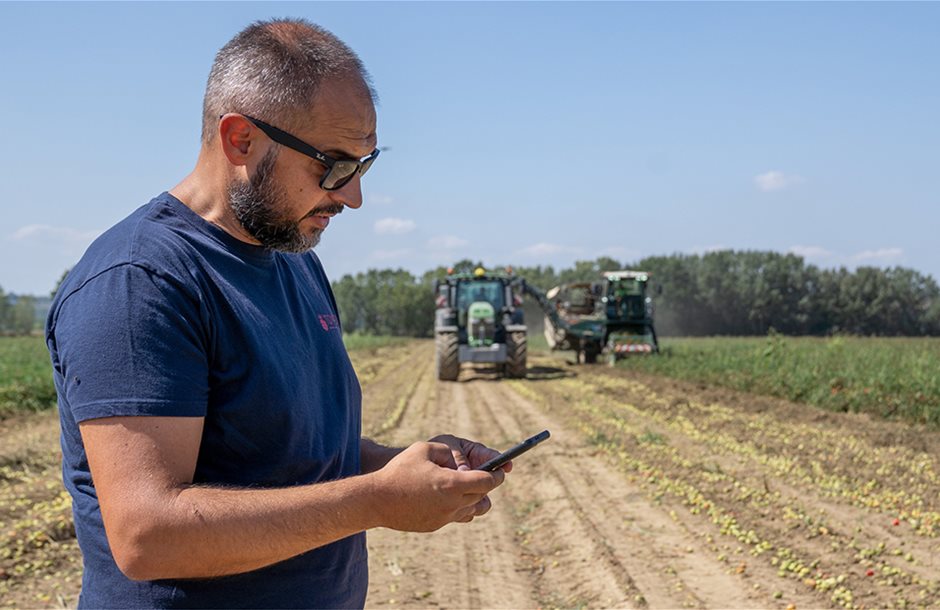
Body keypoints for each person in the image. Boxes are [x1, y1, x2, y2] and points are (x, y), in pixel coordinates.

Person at [45, 18, 508, 609]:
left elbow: (291, 451)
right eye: (335, 166)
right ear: (240, 139)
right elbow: (148, 536)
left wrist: (405, 470)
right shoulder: (141, 282)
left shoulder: (293, 260)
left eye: (365, 166)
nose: (352, 196)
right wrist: (376, 500)